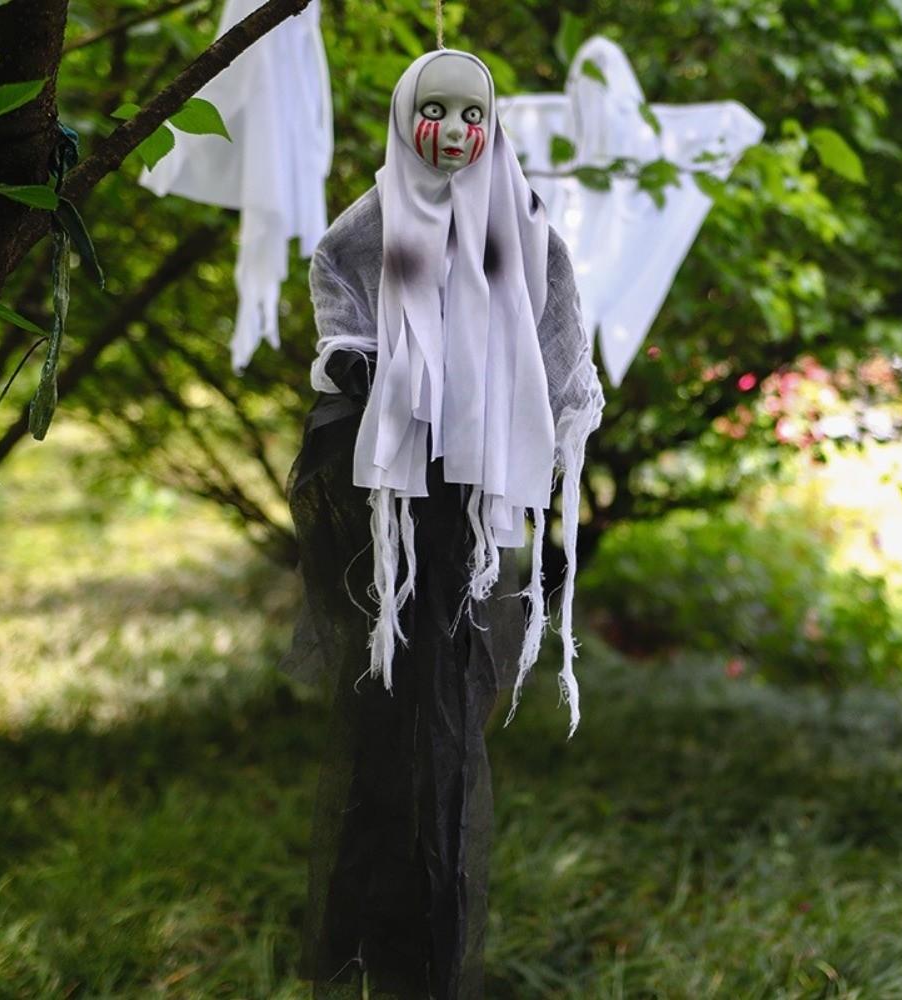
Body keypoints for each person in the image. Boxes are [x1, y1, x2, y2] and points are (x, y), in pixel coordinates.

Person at [284, 49, 604, 1000]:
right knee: (387, 698)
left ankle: (426, 942)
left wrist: (536, 407)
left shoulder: (520, 220)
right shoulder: (379, 215)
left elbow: (555, 322)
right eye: (437, 111)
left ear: (492, 123)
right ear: (404, 117)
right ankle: (366, 929)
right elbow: (337, 285)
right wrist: (354, 357)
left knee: (447, 701)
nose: (456, 131)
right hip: (394, 492)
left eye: (473, 114)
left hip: (473, 493)